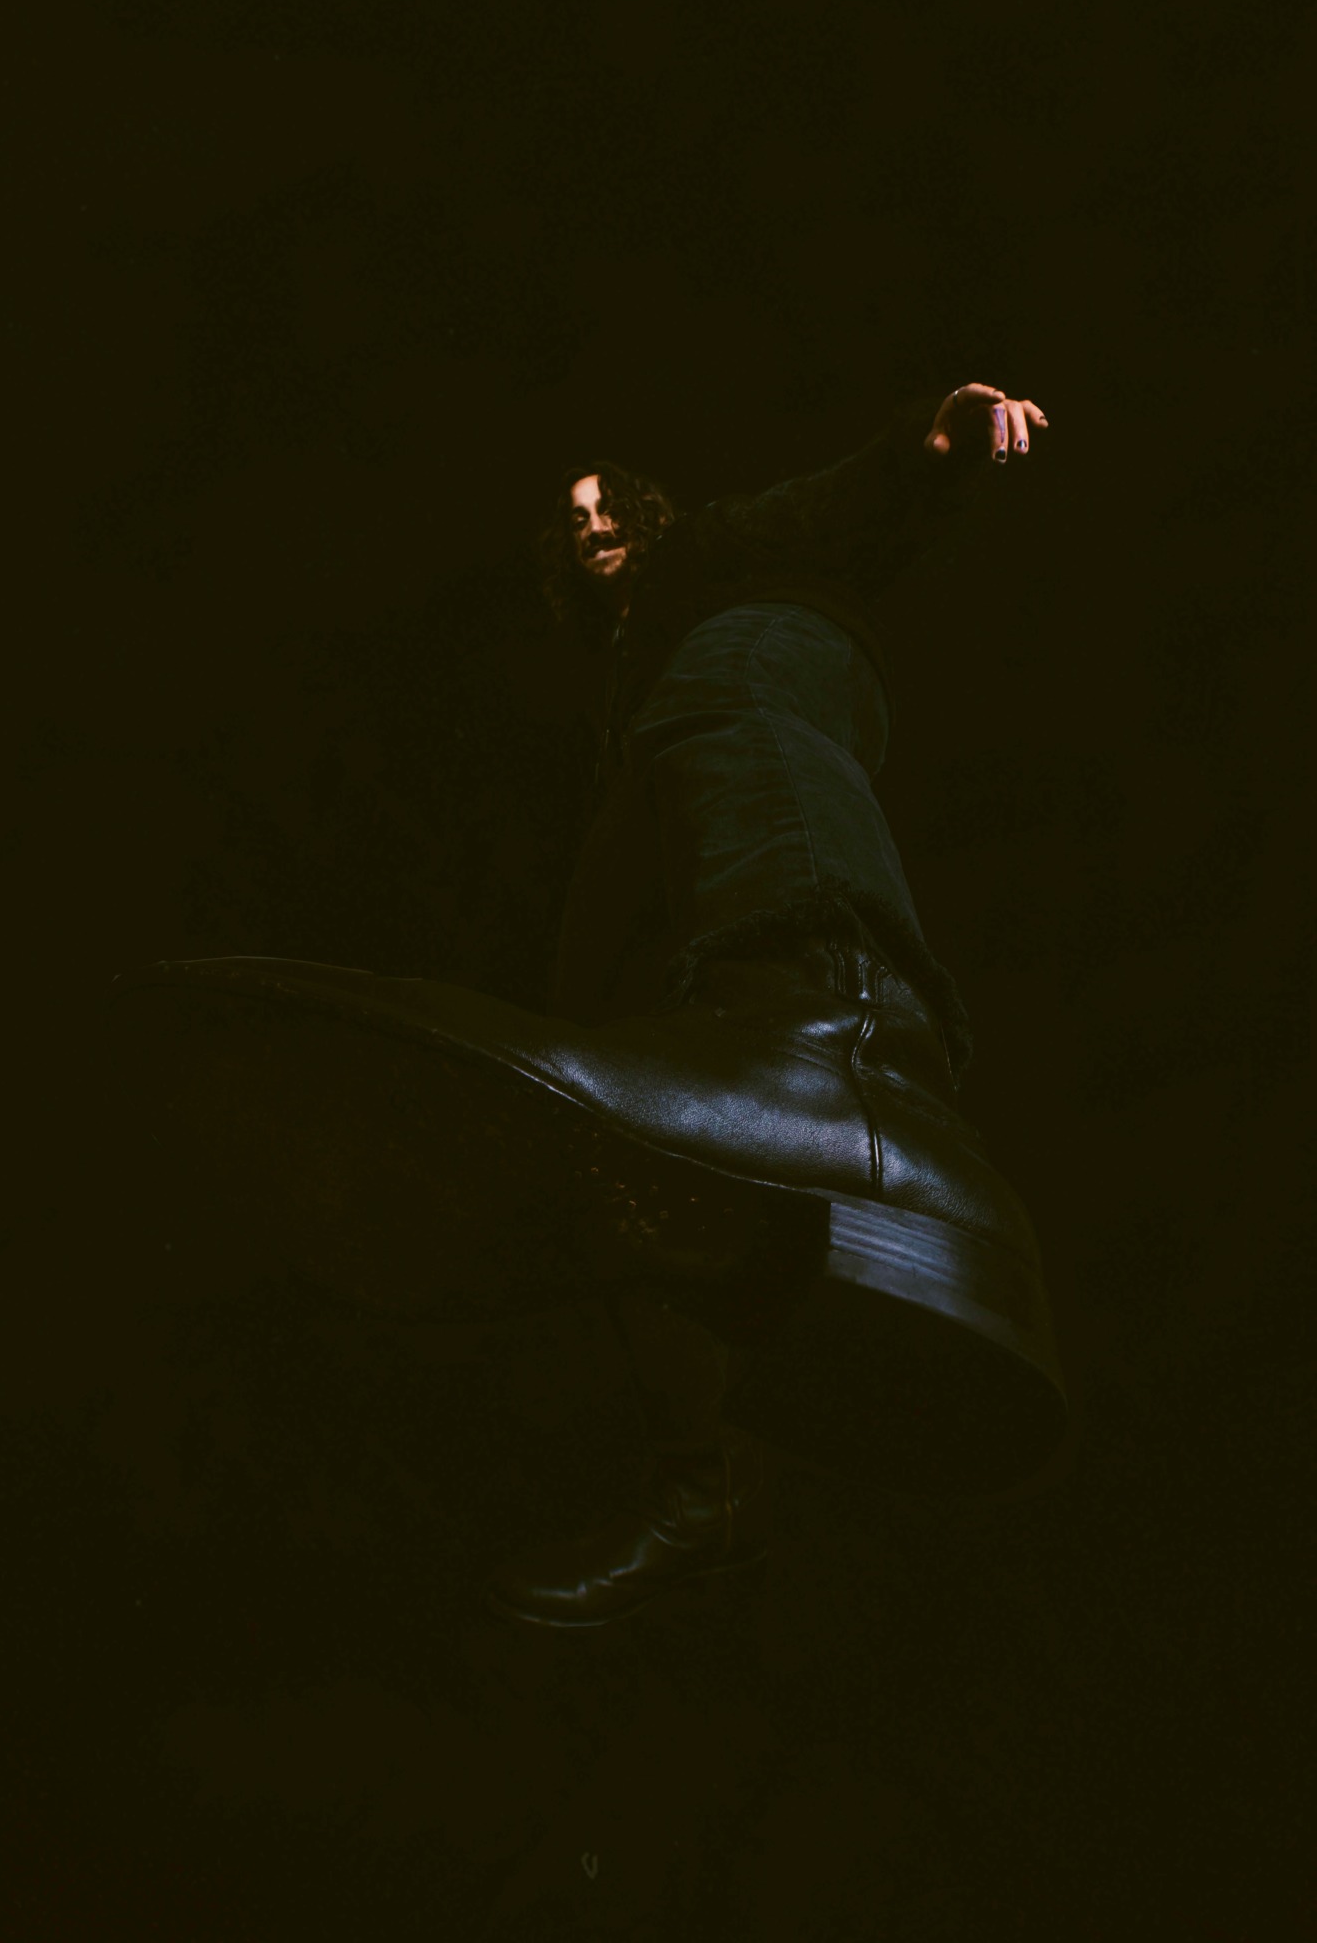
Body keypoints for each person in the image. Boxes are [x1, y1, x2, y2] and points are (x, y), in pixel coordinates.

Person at [112, 381, 1065, 1632]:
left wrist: (925, 449)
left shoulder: (715, 568)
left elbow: (817, 512)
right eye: (572, 519)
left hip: (766, 662)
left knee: (718, 713)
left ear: (649, 516)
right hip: (657, 754)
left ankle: (856, 1057)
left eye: (608, 505)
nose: (593, 524)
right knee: (600, 1064)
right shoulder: (627, 680)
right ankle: (704, 1479)